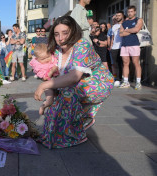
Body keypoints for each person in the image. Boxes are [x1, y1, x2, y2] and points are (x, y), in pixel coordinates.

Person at [34, 16, 114, 149]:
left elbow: (74, 77)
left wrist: (43, 86)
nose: (61, 38)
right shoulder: (56, 50)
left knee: (67, 94)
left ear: (74, 31)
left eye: (65, 33)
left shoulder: (81, 45)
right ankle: (81, 120)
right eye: (56, 34)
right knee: (56, 105)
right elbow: (50, 79)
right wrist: (49, 98)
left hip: (99, 82)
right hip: (76, 84)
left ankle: (77, 133)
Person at [29, 43, 59, 115]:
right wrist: (49, 73)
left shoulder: (53, 58)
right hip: (49, 84)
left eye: (48, 57)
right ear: (37, 59)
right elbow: (44, 77)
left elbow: (58, 65)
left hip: (58, 81)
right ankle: (43, 106)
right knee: (49, 98)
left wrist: (53, 70)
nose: (46, 60)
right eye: (43, 59)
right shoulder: (38, 66)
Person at [119, 6, 143, 90]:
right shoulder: (124, 22)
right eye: (128, 12)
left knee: (136, 63)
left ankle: (138, 82)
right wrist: (130, 30)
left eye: (131, 11)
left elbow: (136, 29)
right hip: (124, 45)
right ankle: (125, 82)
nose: (129, 13)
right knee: (125, 63)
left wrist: (126, 30)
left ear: (135, 12)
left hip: (134, 44)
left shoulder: (138, 20)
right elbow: (121, 34)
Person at [111, 11, 125, 86]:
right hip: (114, 48)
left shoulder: (125, 24)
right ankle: (118, 79)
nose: (117, 17)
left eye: (119, 15)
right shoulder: (114, 26)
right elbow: (113, 37)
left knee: (123, 64)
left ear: (122, 16)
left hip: (122, 46)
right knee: (115, 64)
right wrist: (111, 45)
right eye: (117, 15)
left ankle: (124, 79)